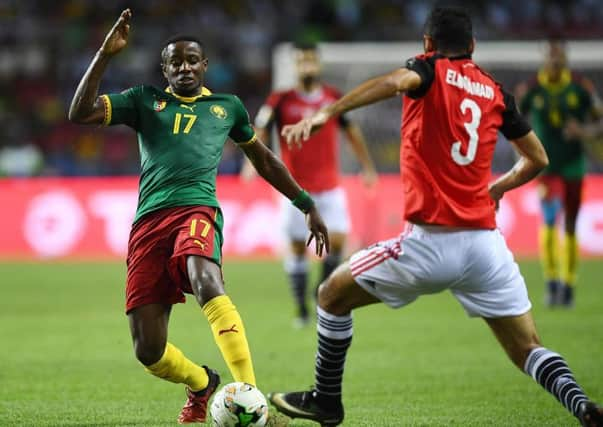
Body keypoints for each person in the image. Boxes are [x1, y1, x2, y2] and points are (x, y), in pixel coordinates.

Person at [268, 7, 603, 427]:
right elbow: (538, 158)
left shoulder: (428, 70)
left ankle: (326, 401)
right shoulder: (495, 91)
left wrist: (325, 114)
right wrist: (497, 188)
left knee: (331, 296)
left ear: (427, 44)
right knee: (528, 348)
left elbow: (393, 82)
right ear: (473, 47)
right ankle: (583, 406)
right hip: (486, 247)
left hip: (428, 243)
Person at [68, 9, 329, 425]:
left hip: (197, 209)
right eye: (176, 62)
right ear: (165, 69)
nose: (185, 67)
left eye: (192, 60)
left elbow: (263, 159)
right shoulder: (142, 100)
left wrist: (306, 204)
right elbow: (79, 113)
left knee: (206, 280)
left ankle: (252, 398)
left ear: (205, 65)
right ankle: (202, 383)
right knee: (148, 350)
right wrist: (104, 53)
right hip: (149, 224)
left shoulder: (227, 108)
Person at [241, 42, 377, 327]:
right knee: (296, 248)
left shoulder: (332, 98)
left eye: (311, 61)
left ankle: (321, 299)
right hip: (294, 189)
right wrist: (249, 164)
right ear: (295, 65)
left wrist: (367, 167)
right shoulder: (280, 99)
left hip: (329, 187)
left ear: (318, 64)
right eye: (301, 61)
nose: (307, 66)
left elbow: (352, 131)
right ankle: (301, 308)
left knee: (337, 242)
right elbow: (260, 130)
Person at [517, 38, 600, 308]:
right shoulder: (531, 89)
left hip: (574, 165)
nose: (555, 60)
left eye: (559, 56)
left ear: (565, 58)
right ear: (544, 57)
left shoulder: (580, 87)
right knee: (550, 220)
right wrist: (523, 150)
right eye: (551, 56)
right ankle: (552, 282)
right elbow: (513, 120)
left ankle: (568, 285)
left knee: (572, 223)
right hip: (546, 167)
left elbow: (600, 120)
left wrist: (584, 132)